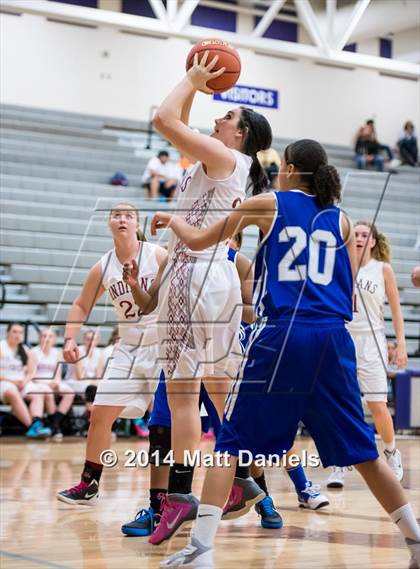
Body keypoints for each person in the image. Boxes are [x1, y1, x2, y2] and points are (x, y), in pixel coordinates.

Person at [152, 138, 420, 569]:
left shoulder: (267, 203)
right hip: (333, 338)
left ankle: (200, 548)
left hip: (284, 336)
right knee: (365, 453)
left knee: (230, 446)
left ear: (291, 168)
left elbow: (202, 241)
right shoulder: (344, 221)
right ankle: (415, 541)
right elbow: (346, 292)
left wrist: (173, 221)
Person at [121, 50, 273, 544]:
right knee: (218, 389)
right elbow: (180, 120)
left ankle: (181, 497)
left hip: (196, 276)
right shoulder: (221, 160)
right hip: (216, 279)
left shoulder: (225, 157)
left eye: (227, 116)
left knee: (184, 393)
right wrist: (196, 87)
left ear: (242, 133)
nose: (217, 115)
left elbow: (164, 118)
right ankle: (244, 479)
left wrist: (194, 75)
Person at [57, 203, 166, 505]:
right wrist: (69, 338)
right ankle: (89, 482)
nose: (121, 219)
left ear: (136, 223)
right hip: (129, 349)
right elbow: (81, 305)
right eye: (116, 215)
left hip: (163, 346)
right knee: (100, 414)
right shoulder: (102, 267)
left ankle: (169, 494)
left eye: (128, 215)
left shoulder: (156, 255)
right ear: (108, 224)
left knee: (164, 423)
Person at [327, 222, 408, 487]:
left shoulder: (382, 269)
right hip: (343, 340)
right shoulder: (340, 265)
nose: (360, 238)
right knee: (341, 405)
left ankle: (391, 453)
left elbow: (396, 311)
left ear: (373, 241)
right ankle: (340, 462)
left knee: (377, 405)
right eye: (356, 235)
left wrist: (402, 344)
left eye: (365, 235)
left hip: (372, 342)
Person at [0, 323, 52, 438]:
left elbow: (31, 372)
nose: (17, 335)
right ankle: (32, 427)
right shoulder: (1, 347)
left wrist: (24, 381)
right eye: (14, 331)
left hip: (22, 383)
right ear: (7, 333)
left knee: (37, 391)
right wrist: (13, 382)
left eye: (20, 332)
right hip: (4, 382)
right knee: (11, 392)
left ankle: (37, 423)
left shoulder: (26, 350)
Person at [32, 328, 75, 441]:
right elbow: (32, 375)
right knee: (48, 392)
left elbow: (58, 373)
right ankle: (55, 428)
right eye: (44, 336)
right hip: (38, 382)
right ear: (40, 338)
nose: (47, 338)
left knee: (70, 392)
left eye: (50, 336)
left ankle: (53, 424)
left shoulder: (57, 353)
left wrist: (56, 381)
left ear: (54, 339)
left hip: (53, 382)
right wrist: (47, 383)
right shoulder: (33, 352)